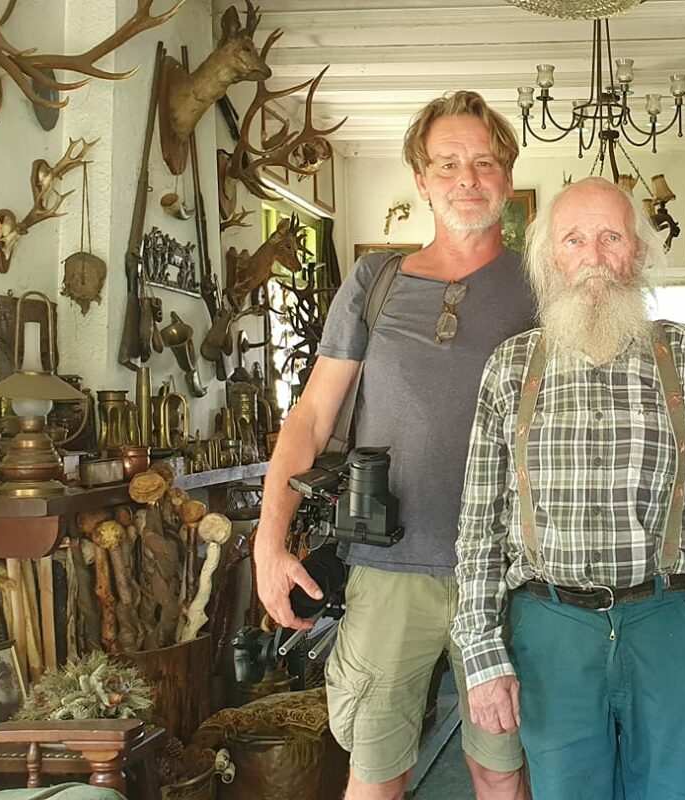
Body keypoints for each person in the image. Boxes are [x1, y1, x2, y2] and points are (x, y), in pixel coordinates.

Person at [253, 91, 535, 800]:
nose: (465, 177)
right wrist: (269, 541)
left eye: (483, 161)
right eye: (447, 163)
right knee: (376, 775)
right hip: (386, 570)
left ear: (506, 175)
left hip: (509, 575)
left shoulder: (544, 285)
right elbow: (312, 416)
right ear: (421, 179)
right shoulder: (374, 281)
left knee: (500, 770)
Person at [453, 177, 685, 800]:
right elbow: (478, 525)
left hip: (673, 623)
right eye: (573, 240)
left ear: (639, 254)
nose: (592, 256)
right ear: (549, 260)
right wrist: (484, 653)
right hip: (550, 631)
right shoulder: (510, 367)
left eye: (610, 237)